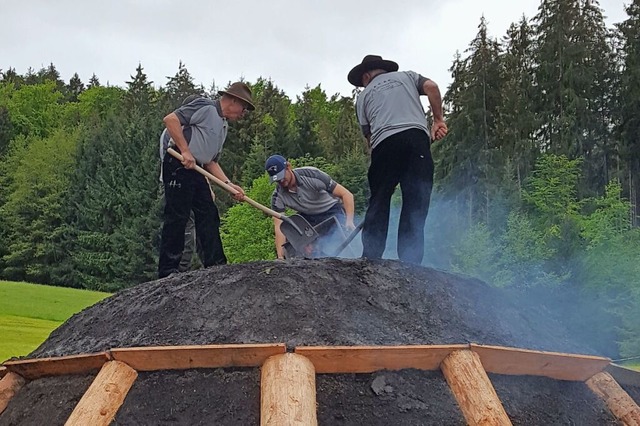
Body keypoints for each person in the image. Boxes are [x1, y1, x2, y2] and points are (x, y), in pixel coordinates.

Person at [347, 55, 448, 264]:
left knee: (380, 199)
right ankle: (411, 261)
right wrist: (438, 119)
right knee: (416, 200)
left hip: (385, 143)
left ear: (366, 75)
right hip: (417, 139)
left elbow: (370, 138)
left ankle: (371, 258)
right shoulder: (409, 77)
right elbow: (432, 87)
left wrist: (378, 169)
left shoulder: (364, 96)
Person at [158, 82, 254, 278]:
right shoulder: (205, 107)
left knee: (209, 214)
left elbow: (211, 162)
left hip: (197, 169)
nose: (244, 113)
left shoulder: (223, 126)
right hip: (177, 162)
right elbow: (170, 120)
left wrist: (228, 185)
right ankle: (168, 270)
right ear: (234, 101)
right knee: (178, 216)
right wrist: (185, 151)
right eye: (243, 108)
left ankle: (216, 264)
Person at [265, 154, 356, 259]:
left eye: (282, 176)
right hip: (308, 218)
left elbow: (346, 195)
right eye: (277, 180)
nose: (281, 181)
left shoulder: (312, 175)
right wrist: (280, 256)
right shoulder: (278, 196)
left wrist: (349, 221)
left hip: (331, 211)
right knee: (293, 231)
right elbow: (279, 227)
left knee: (342, 244)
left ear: (288, 167)